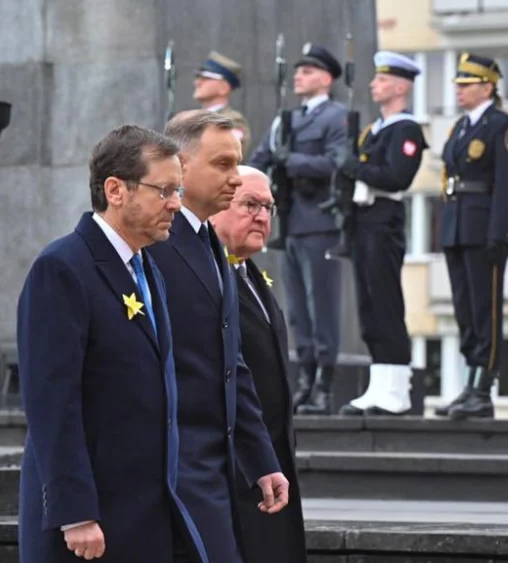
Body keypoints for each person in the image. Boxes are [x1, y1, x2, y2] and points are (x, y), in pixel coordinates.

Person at [16, 124, 208, 563]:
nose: (176, 204)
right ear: (116, 189)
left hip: (145, 515)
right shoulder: (62, 269)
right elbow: (52, 403)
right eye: (164, 191)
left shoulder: (146, 268)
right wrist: (75, 513)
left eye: (178, 190)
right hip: (88, 526)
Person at [150, 110, 290, 563]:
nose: (235, 179)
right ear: (182, 166)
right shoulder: (155, 244)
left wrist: (262, 458)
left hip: (212, 468)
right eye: (223, 165)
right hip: (168, 470)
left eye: (237, 163)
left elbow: (233, 366)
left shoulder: (213, 248)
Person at [210, 165, 308, 563]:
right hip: (234, 474)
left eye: (269, 207)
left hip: (273, 467)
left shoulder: (250, 274)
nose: (262, 216)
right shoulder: (209, 277)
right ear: (216, 209)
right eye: (250, 204)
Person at [248, 42, 348, 415]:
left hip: (319, 222)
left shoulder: (336, 117)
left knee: (322, 307)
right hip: (289, 223)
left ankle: (324, 383)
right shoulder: (284, 121)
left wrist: (295, 161)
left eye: (306, 72)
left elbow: (338, 162)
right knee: (298, 312)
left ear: (325, 78)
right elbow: (260, 160)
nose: (298, 77)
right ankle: (304, 380)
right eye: (297, 71)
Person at [334, 52, 428, 416]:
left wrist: (355, 167)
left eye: (383, 80)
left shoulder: (406, 130)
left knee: (386, 303)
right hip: (363, 219)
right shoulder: (374, 129)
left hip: (384, 217)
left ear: (401, 86)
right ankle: (379, 384)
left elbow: (396, 176)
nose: (375, 84)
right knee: (369, 305)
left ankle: (397, 388)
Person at [434, 53, 508, 421]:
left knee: (486, 311)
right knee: (466, 311)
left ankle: (483, 388)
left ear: (487, 87)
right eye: (457, 84)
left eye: (466, 84)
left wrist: (498, 232)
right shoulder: (460, 127)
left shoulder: (502, 125)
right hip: (458, 224)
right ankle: (469, 385)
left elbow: (506, 183)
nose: (458, 90)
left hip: (484, 227)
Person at [194, 51, 252, 156]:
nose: (198, 83)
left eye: (206, 78)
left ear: (224, 88)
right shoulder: (192, 118)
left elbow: (225, 155)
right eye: (198, 78)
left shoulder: (232, 121)